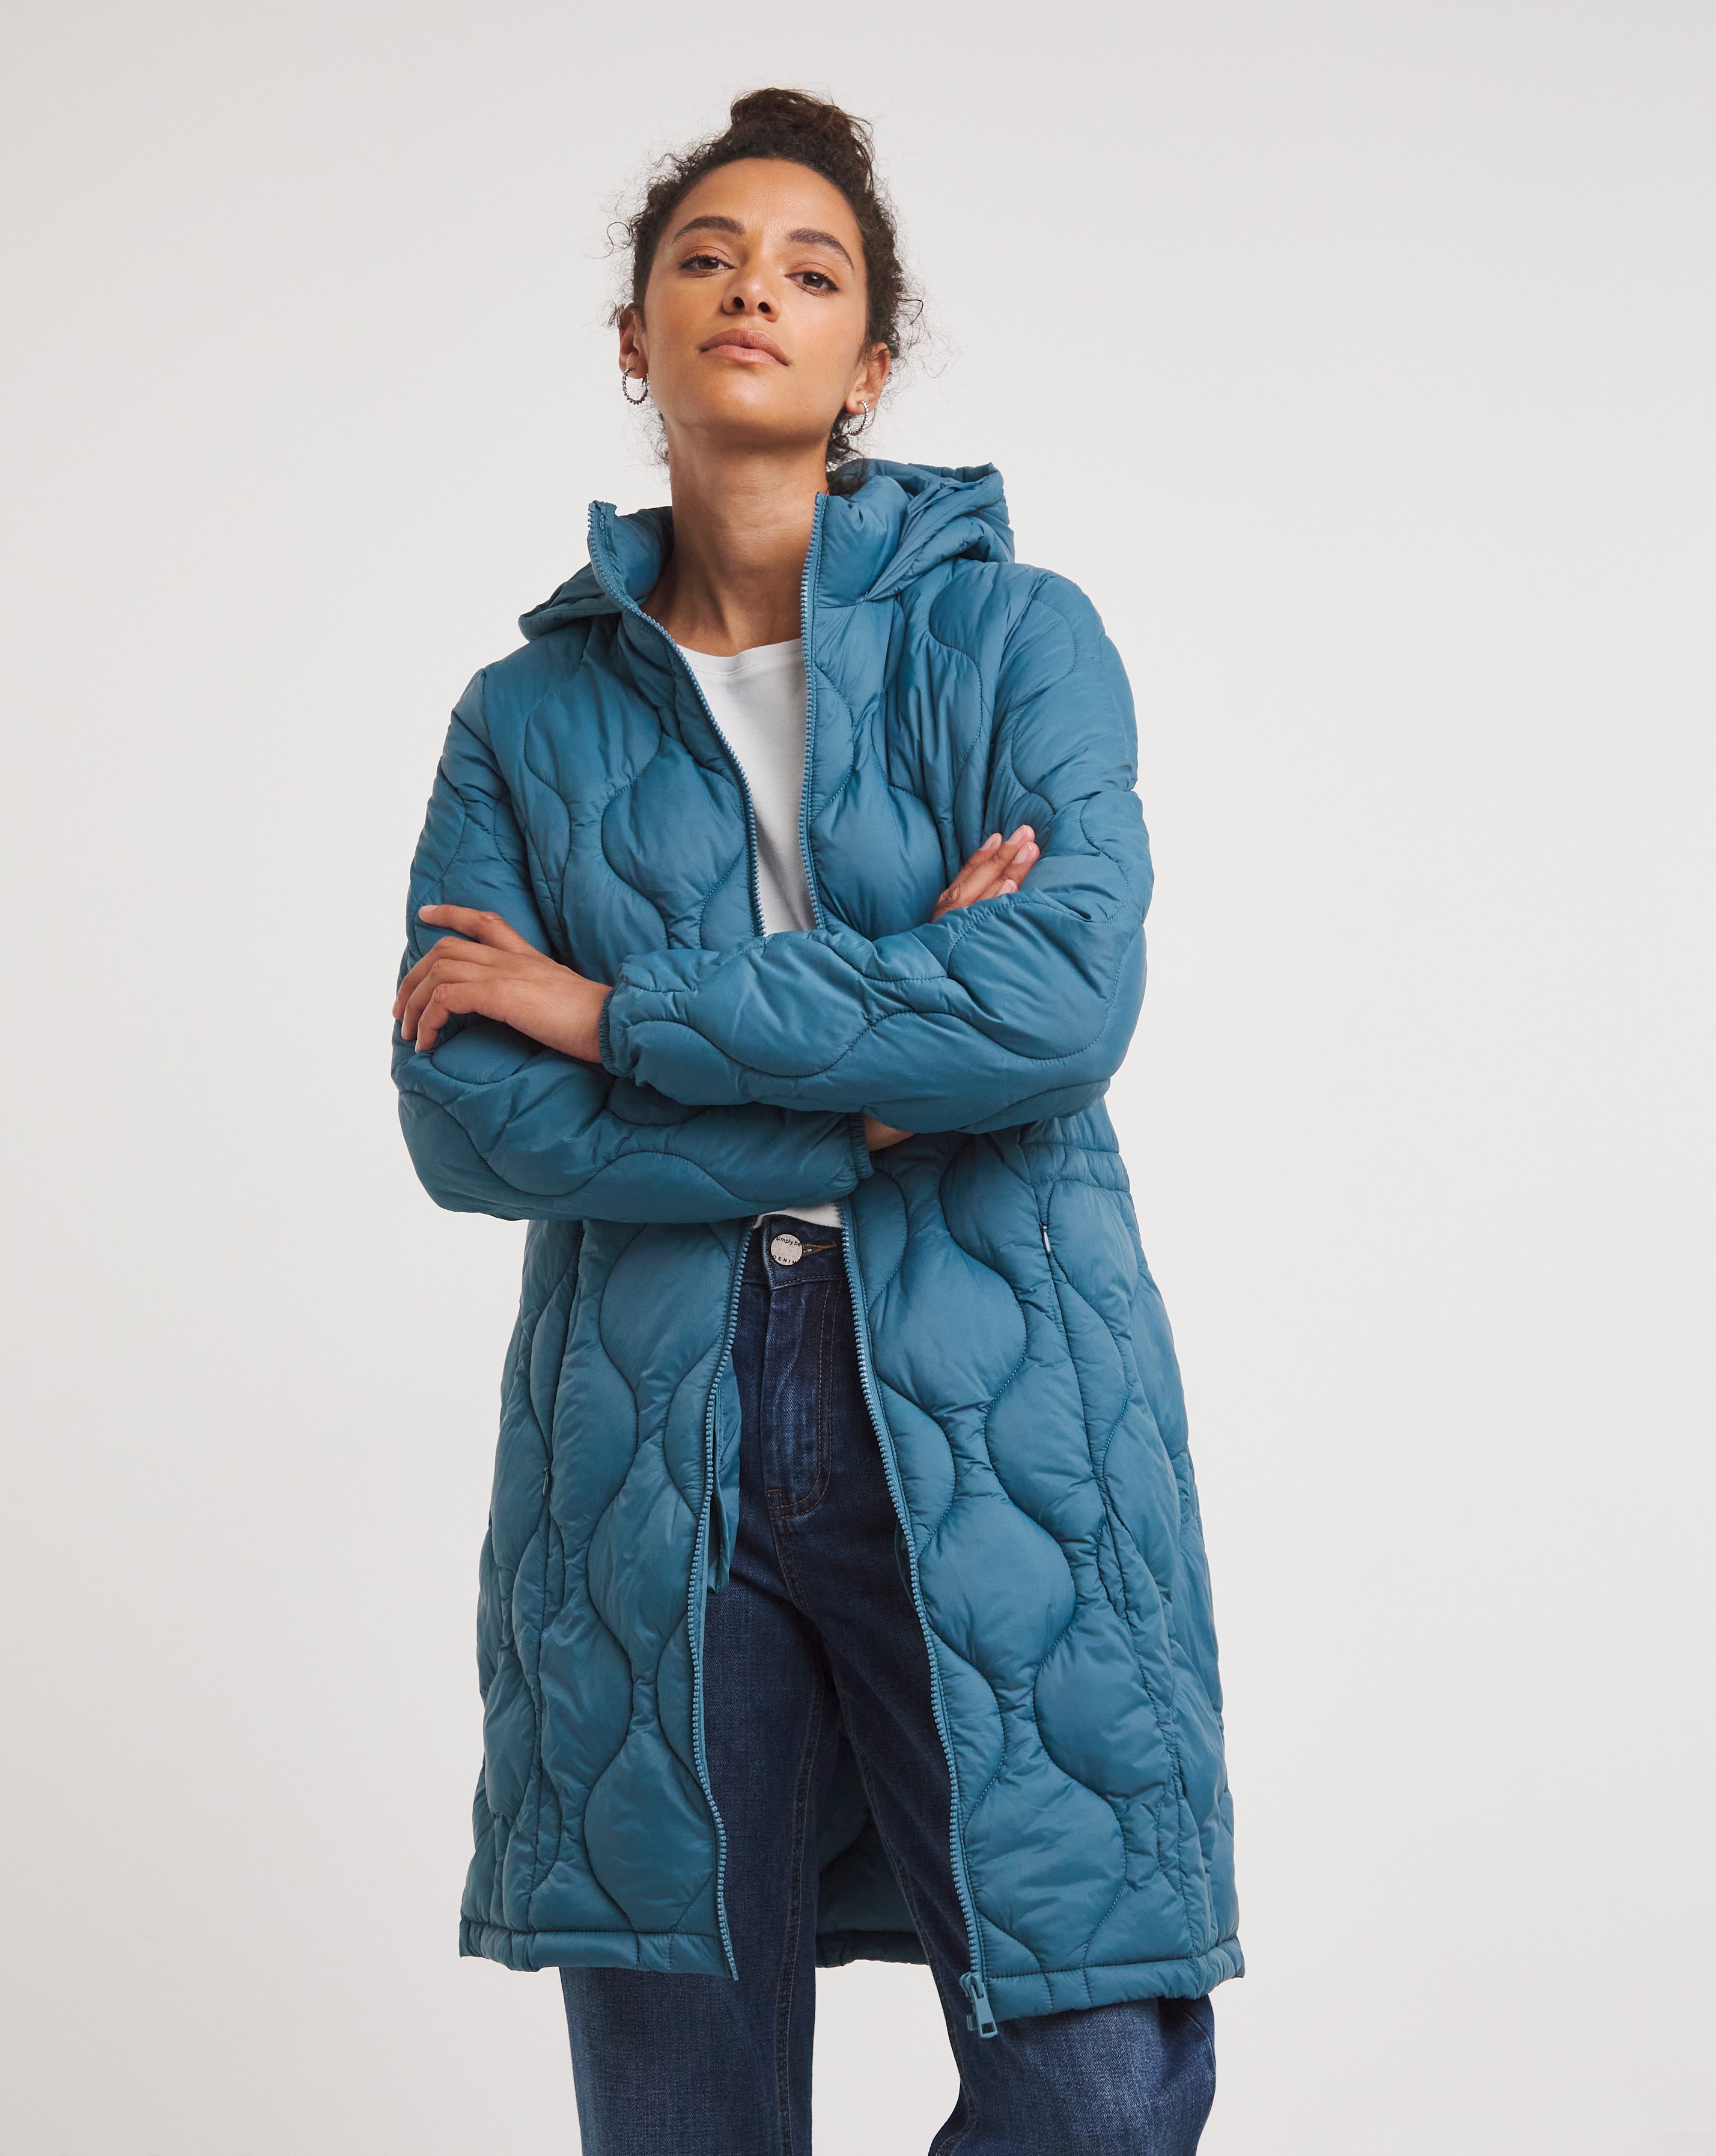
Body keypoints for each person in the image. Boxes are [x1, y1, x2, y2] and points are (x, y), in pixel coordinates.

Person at [391, 87, 1239, 2156]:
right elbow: (470, 1120)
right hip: (648, 1429)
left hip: (1000, 1387)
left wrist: (617, 1014)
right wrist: (853, 1115)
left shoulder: (1015, 637)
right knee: (683, 2120)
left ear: (870, 362)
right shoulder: (525, 716)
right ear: (635, 337)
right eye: (703, 257)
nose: (750, 289)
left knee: (1097, 2094)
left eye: (808, 267)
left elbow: (1056, 1008)